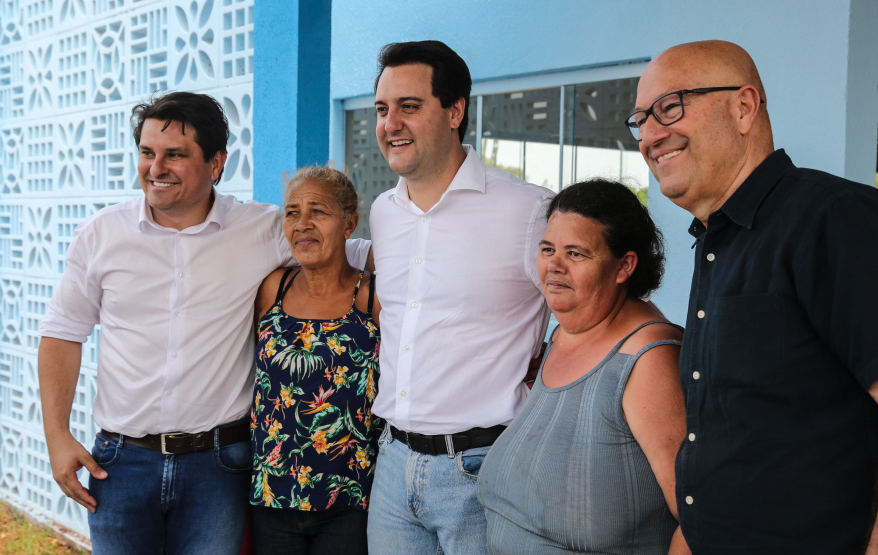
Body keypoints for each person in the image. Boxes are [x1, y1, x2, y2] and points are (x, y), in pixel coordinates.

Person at [37, 92, 369, 554]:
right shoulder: (101, 235)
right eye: (148, 153)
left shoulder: (262, 229)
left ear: (216, 164)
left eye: (175, 155)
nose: (156, 168)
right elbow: (62, 333)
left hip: (218, 466)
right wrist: (56, 435)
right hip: (120, 462)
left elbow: (335, 247)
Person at [628, 40, 878, 554]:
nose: (651, 134)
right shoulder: (717, 238)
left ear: (744, 108)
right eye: (639, 120)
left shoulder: (833, 218)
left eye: (670, 107)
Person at [367, 40, 553, 554]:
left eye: (409, 106)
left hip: (483, 470)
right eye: (382, 109)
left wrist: (548, 367)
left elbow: (593, 311)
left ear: (455, 111)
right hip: (392, 467)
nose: (390, 123)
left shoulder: (529, 210)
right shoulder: (384, 212)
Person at [477, 179, 690, 555]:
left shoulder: (648, 358)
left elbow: (699, 518)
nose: (554, 266)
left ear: (624, 266)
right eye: (547, 249)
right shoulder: (563, 335)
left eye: (575, 254)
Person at [249, 166, 381, 555]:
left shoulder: (372, 298)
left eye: (318, 211)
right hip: (272, 494)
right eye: (292, 212)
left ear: (349, 223)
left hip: (350, 500)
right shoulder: (273, 288)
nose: (302, 224)